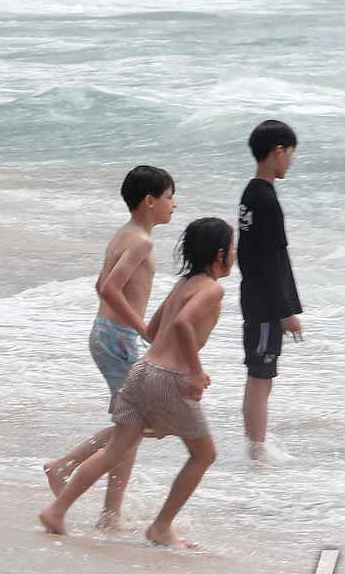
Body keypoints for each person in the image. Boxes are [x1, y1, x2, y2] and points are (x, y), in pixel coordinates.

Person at [40, 217, 233, 547]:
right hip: (167, 379)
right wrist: (195, 371)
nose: (234, 255)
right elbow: (185, 324)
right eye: (233, 250)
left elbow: (156, 328)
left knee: (114, 451)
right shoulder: (212, 289)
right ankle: (161, 527)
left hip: (142, 371)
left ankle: (57, 510)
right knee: (204, 455)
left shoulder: (182, 285)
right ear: (219, 254)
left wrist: (180, 360)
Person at [42, 166, 176, 527]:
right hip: (117, 336)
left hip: (107, 333)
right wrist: (143, 328)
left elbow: (101, 283)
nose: (173, 205)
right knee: (138, 424)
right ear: (150, 201)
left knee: (132, 423)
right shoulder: (142, 241)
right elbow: (109, 288)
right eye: (169, 197)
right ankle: (63, 466)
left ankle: (109, 514)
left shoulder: (123, 233)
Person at [237, 120, 303, 461]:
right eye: (290, 154)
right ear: (277, 151)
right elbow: (272, 258)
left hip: (254, 297)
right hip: (265, 304)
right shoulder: (267, 200)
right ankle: (256, 451)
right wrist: (284, 310)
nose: (290, 162)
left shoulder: (251, 193)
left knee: (262, 375)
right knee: (260, 377)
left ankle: (255, 445)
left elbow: (251, 255)